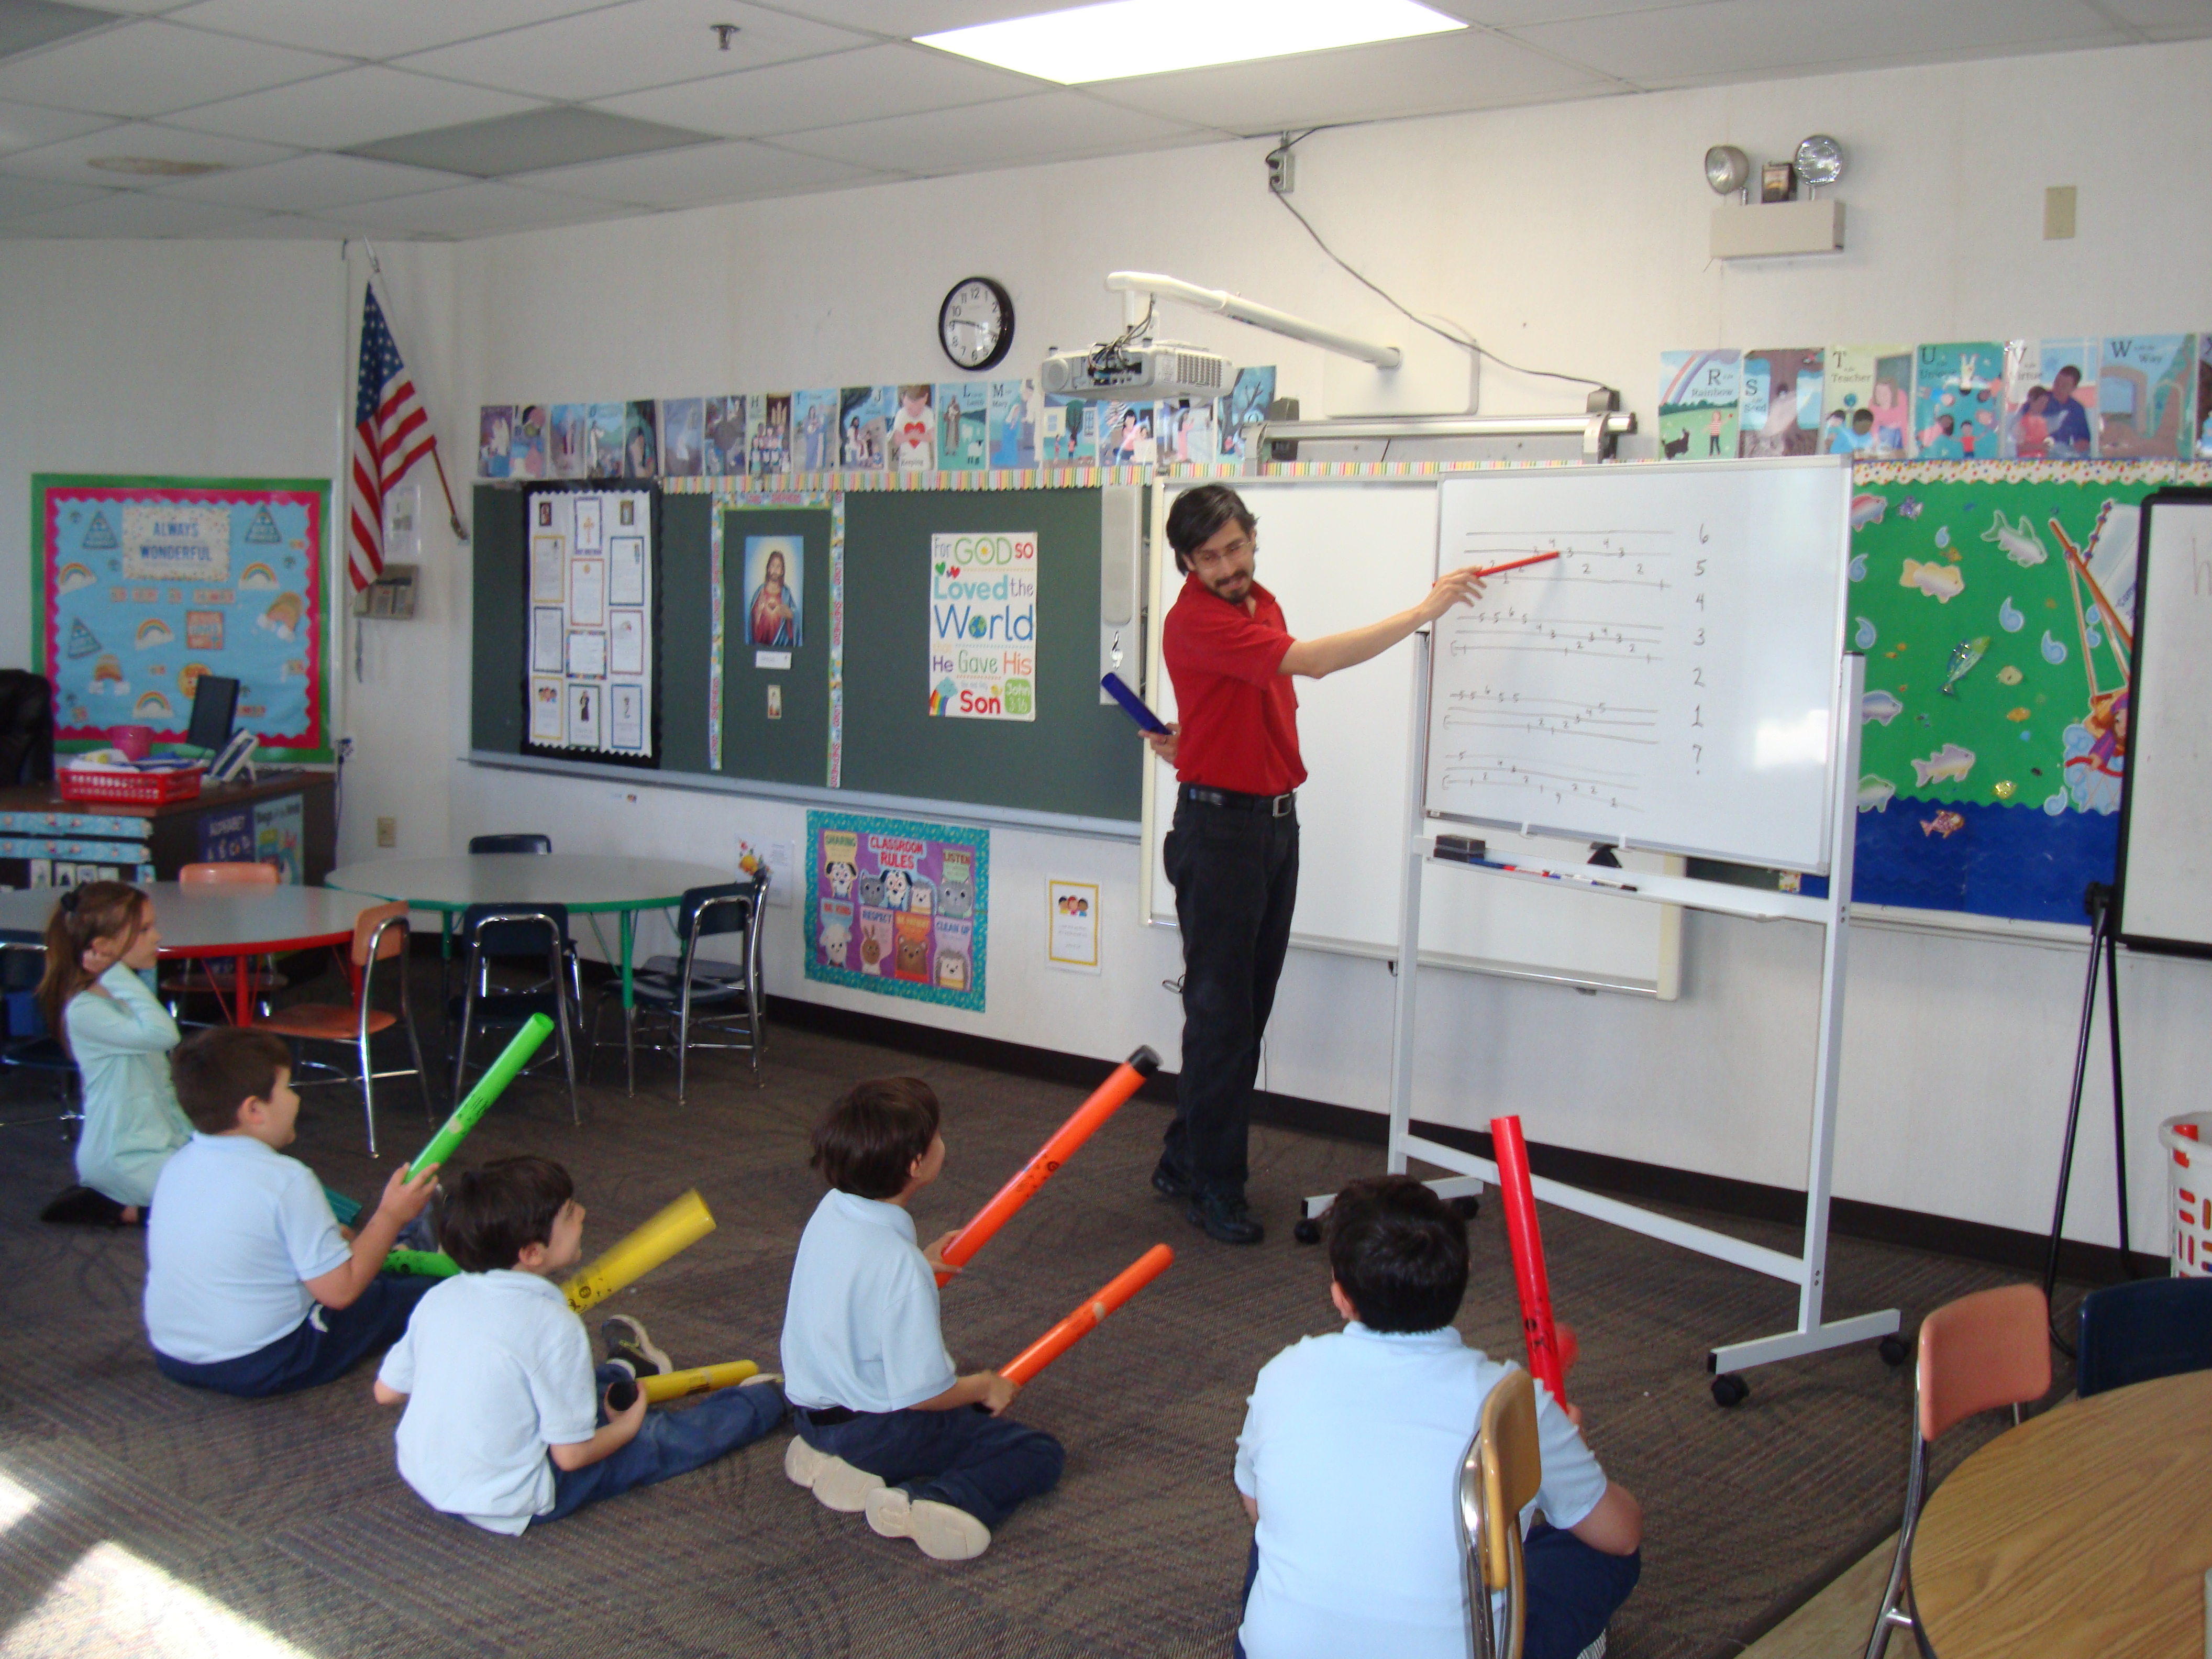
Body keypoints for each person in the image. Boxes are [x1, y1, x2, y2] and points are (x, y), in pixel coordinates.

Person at [1145, 485, 1484, 1244]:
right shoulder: (1196, 619)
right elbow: (1316, 666)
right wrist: (1419, 614)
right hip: (1221, 835)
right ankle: (1214, 1185)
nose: (1229, 566)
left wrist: (1190, 735)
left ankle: (1182, 1158)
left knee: (1243, 1011)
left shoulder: (1258, 602)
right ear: (1186, 564)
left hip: (1272, 826)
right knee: (1223, 1019)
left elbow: (1245, 704)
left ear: (1252, 540)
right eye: (1210, 558)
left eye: (1237, 548)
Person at [1233, 1177, 1641, 1659]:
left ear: (1341, 1296)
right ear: (1464, 1273)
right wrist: (1561, 1452)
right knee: (1590, 1551)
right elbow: (1621, 1535)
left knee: (1280, 1531)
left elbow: (1258, 1509)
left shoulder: (1285, 1373)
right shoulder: (1513, 1402)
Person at [374, 1156, 786, 1533]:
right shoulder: (554, 1325)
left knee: (543, 1382)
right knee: (654, 1439)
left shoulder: (439, 1297)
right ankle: (764, 1402)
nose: (584, 1215)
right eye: (570, 1214)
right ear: (532, 1253)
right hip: (517, 1495)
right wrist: (626, 1429)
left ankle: (629, 1372)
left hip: (430, 1478)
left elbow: (386, 1391)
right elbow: (571, 1458)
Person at [780, 1076, 1063, 1560]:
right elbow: (924, 1396)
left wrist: (915, 1261)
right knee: (1038, 1452)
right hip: (873, 1431)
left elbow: (853, 1285)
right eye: (935, 1137)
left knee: (943, 1419)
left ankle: (833, 1462)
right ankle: (938, 1500)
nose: (941, 1142)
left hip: (809, 1414)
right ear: (915, 1164)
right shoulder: (900, 1267)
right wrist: (985, 1385)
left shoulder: (833, 1210)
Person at [143, 1027, 440, 1396]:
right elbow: (341, 1291)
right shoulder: (286, 1181)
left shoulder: (177, 1164)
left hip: (173, 1354)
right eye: (287, 1088)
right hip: (266, 1360)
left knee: (354, 1261)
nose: (296, 1099)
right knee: (413, 1294)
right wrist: (390, 1215)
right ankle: (413, 1244)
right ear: (254, 1110)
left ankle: (404, 1245)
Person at [35, 881, 191, 1226]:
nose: (157, 936)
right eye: (144, 930)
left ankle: (132, 1204)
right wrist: (111, 972)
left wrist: (192, 1138)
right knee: (220, 1200)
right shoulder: (86, 1011)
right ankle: (119, 1207)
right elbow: (164, 1035)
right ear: (103, 948)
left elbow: (161, 1086)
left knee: (239, 1175)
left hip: (156, 1144)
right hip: (122, 1156)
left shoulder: (123, 998)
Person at [748, 546, 799, 647]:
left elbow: (795, 616)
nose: (775, 570)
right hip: (762, 646)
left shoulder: (786, 593)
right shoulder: (760, 593)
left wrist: (790, 614)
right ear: (768, 568)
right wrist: (759, 612)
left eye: (778, 567)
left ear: (782, 571)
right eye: (773, 566)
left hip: (782, 645)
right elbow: (752, 622)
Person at [2044, 364, 2093, 457]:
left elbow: (2084, 440)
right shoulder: (2039, 401)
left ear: (2073, 389)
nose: (2058, 388)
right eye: (2057, 383)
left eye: (2064, 386)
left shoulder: (2077, 409)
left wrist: (2080, 446)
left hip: (2064, 457)